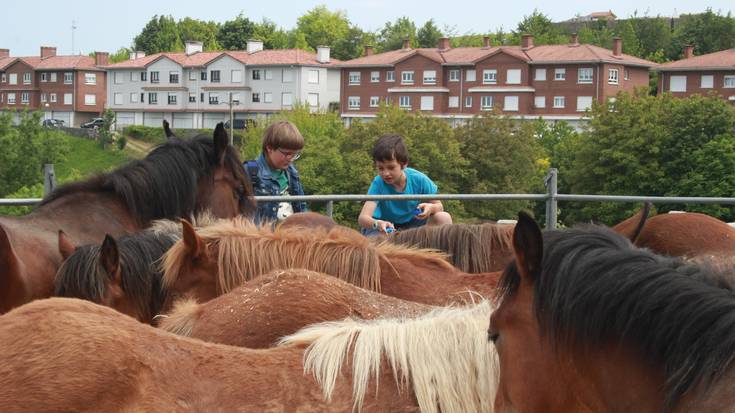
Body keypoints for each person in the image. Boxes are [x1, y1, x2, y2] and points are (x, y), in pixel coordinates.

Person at [358, 134, 452, 236]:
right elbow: (363, 218)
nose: (385, 173)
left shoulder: (419, 179)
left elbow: (439, 206)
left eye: (391, 167)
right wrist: (378, 224)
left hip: (413, 224)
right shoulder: (378, 183)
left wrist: (431, 208)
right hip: (384, 226)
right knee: (380, 238)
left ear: (404, 164)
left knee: (443, 217)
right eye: (381, 168)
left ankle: (444, 251)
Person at [246, 120, 307, 224]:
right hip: (264, 238)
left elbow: (302, 207)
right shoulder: (249, 171)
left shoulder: (292, 172)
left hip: (291, 236)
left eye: (295, 154)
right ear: (269, 148)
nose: (291, 159)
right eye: (287, 153)